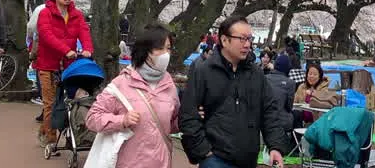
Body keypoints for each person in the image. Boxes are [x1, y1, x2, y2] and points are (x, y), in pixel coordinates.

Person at [180, 15, 290, 168]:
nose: (247, 45)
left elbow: (269, 111)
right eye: (242, 39)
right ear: (224, 40)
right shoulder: (204, 71)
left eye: (249, 39)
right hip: (215, 158)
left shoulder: (256, 74)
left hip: (248, 158)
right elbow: (188, 115)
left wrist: (275, 146)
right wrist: (203, 151)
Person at [86, 24, 180, 168]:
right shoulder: (121, 83)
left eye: (168, 48)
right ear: (146, 51)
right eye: (160, 48)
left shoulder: (170, 86)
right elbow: (92, 118)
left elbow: (171, 124)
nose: (165, 54)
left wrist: (190, 117)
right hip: (129, 162)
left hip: (161, 162)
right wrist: (122, 120)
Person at [34, 0, 93, 147]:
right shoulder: (45, 13)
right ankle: (50, 136)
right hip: (48, 65)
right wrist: (65, 50)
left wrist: (88, 49)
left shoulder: (77, 14)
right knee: (50, 102)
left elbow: (84, 32)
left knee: (71, 100)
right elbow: (46, 35)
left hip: (69, 66)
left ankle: (70, 135)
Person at [293, 61, 340, 126]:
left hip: (316, 121)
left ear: (319, 77)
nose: (311, 76)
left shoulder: (323, 88)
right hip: (301, 120)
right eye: (310, 74)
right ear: (306, 75)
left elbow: (323, 107)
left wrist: (312, 94)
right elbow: (294, 102)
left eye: (315, 74)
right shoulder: (301, 87)